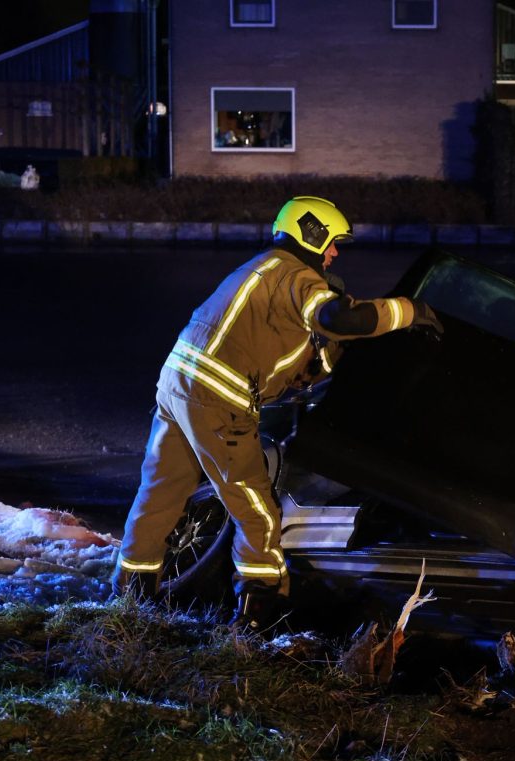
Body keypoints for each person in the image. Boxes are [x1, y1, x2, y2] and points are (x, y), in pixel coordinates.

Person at [112, 196, 442, 631]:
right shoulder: (298, 276)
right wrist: (410, 311)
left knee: (159, 496)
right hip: (217, 399)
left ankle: (128, 604)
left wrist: (327, 360)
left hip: (178, 385)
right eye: (334, 244)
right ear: (314, 232)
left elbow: (291, 357)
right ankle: (258, 618)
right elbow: (343, 319)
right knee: (257, 511)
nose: (335, 254)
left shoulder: (263, 267)